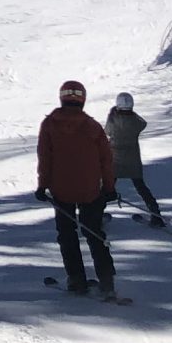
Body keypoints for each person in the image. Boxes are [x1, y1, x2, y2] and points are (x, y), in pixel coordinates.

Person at [36, 79, 118, 297]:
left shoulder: (50, 124)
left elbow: (45, 158)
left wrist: (42, 186)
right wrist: (109, 187)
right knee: (93, 232)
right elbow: (106, 160)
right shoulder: (92, 126)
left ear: (62, 98)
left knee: (67, 234)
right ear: (82, 99)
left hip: (61, 190)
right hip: (91, 190)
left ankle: (76, 279)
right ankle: (107, 280)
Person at [105, 92, 165, 226]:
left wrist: (111, 114)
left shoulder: (113, 120)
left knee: (106, 188)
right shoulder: (135, 122)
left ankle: (95, 215)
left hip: (115, 160)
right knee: (142, 188)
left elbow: (107, 131)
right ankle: (156, 215)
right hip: (133, 161)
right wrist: (133, 114)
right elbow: (143, 123)